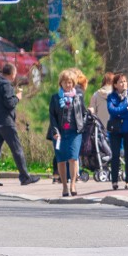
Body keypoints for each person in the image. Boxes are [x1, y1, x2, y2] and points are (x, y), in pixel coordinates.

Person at [0, 63, 39, 186]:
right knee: (17, 149)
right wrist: (18, 97)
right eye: (15, 74)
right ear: (11, 74)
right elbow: (10, 103)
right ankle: (25, 177)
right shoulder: (6, 85)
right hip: (6, 123)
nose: (15, 77)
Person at [48, 68, 87, 197]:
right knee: (61, 159)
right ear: (61, 83)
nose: (68, 85)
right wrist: (54, 131)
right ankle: (64, 186)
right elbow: (52, 116)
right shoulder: (55, 98)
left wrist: (82, 126)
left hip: (74, 133)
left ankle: (73, 184)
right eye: (65, 82)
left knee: (73, 158)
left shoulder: (78, 97)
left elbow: (84, 113)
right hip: (59, 133)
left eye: (70, 82)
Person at [107, 73, 128, 190]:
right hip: (115, 130)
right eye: (120, 82)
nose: (123, 84)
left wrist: (120, 112)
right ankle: (114, 181)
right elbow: (112, 110)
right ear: (115, 85)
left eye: (125, 81)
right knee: (115, 155)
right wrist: (125, 108)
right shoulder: (111, 97)